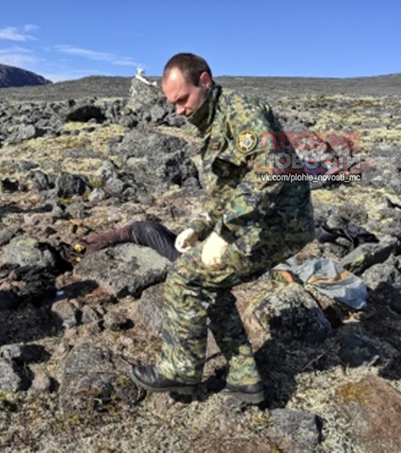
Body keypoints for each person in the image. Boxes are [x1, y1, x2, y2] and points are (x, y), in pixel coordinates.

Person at [129, 53, 315, 404]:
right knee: (209, 281)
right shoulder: (212, 119)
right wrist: (199, 227)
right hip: (258, 221)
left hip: (278, 224)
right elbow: (228, 188)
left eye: (182, 99)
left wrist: (224, 232)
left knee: (186, 275)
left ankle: (179, 370)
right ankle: (246, 381)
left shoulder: (241, 112)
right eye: (173, 104)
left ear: (204, 81)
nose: (179, 111)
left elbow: (269, 172)